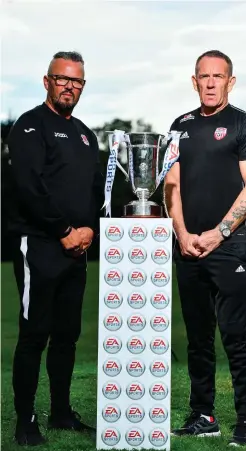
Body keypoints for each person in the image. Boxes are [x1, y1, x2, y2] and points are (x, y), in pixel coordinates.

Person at [164, 50, 246, 446]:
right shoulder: (180, 125)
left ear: (230, 81)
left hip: (231, 246)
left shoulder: (245, 124)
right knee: (198, 337)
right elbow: (171, 186)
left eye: (217, 76)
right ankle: (203, 415)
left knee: (236, 337)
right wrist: (183, 233)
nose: (210, 83)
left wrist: (217, 233)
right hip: (188, 248)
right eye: (203, 77)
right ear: (194, 81)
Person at [7, 51, 104, 446]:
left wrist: (90, 230)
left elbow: (97, 190)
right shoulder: (29, 126)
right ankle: (26, 421)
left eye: (77, 81)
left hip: (77, 250)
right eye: (62, 78)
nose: (70, 86)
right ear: (47, 81)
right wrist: (64, 229)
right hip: (41, 246)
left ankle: (62, 413)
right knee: (35, 334)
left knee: (67, 336)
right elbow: (30, 187)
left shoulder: (86, 134)